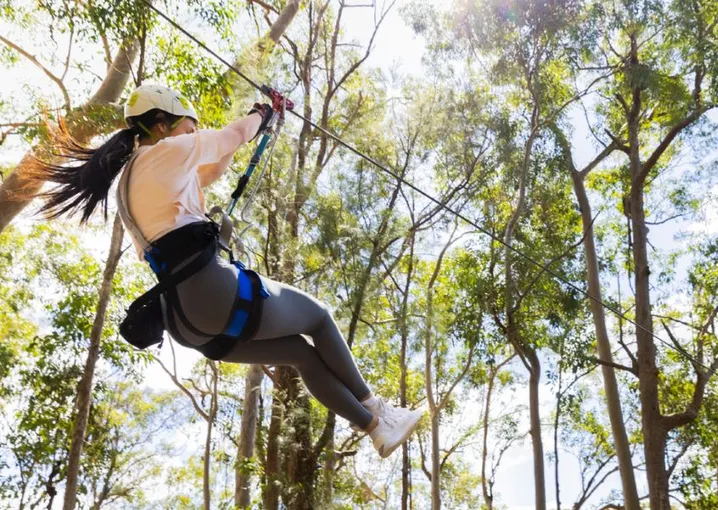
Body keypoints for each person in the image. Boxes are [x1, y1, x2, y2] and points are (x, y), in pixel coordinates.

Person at [31, 84, 424, 458]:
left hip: (187, 325)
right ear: (163, 126)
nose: (193, 133)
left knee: (302, 356)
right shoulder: (165, 152)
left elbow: (212, 170)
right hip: (212, 293)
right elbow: (232, 135)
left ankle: (374, 428)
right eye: (189, 126)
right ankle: (379, 408)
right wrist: (260, 112)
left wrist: (254, 131)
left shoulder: (133, 182)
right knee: (319, 318)